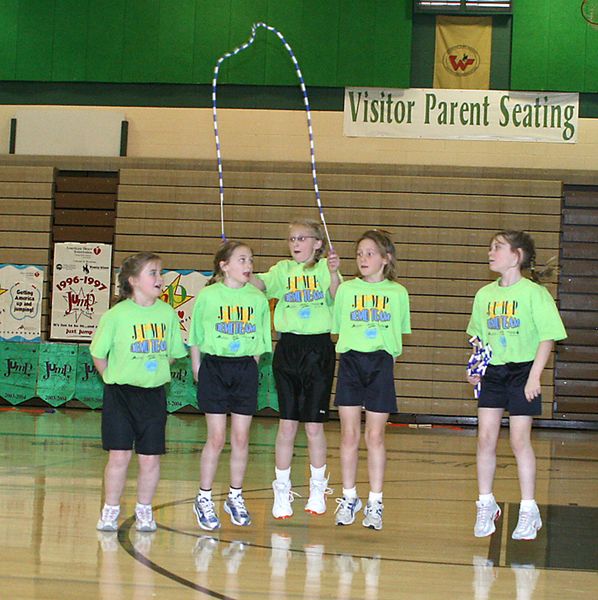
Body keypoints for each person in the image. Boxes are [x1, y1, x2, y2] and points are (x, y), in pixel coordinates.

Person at [467, 230, 566, 540]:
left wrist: (534, 376)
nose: (490, 252)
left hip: (524, 371)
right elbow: (479, 339)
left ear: (517, 256)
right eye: (490, 247)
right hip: (494, 372)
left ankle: (528, 509)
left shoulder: (535, 294)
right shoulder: (484, 295)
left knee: (519, 441)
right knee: (485, 439)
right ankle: (485, 504)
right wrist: (475, 367)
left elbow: (547, 338)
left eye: (497, 247)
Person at [251, 218, 341, 519]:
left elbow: (337, 297)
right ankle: (282, 488)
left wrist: (332, 273)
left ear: (318, 242)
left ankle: (317, 487)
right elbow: (260, 285)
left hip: (318, 350)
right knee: (286, 424)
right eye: (292, 239)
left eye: (303, 238)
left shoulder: (327, 269)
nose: (296, 244)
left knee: (314, 426)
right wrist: (242, 271)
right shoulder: (282, 271)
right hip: (288, 349)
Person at [92, 252, 187, 532]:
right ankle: (110, 509)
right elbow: (98, 353)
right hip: (120, 395)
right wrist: (110, 376)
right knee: (119, 456)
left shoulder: (167, 313)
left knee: (150, 457)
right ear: (133, 280)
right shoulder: (116, 315)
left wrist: (153, 369)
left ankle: (144, 509)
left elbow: (172, 353)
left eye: (161, 273)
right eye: (153, 273)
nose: (160, 279)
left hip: (153, 395)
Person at [332, 230, 411, 530]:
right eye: (359, 253)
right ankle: (349, 496)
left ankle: (375, 501)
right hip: (351, 361)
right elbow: (338, 327)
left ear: (385, 258)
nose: (363, 258)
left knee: (375, 436)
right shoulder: (346, 291)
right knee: (348, 435)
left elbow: (398, 333)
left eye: (370, 253)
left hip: (380, 363)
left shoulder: (398, 293)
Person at [189, 241, 271, 530]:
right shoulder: (209, 296)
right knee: (216, 438)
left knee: (240, 438)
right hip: (214, 367)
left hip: (244, 369)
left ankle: (235, 495)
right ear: (224, 265)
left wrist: (251, 365)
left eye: (250, 259)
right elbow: (195, 335)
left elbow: (261, 340)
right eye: (241, 259)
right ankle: (204, 497)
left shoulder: (257, 298)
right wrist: (197, 366)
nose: (248, 265)